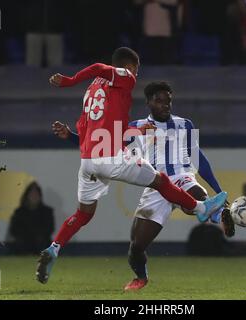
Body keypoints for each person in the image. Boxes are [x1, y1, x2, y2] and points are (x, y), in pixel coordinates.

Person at [36, 47, 228, 285]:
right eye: (136, 70)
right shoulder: (125, 75)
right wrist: (68, 81)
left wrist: (70, 135)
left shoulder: (92, 90)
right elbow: (97, 67)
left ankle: (54, 248)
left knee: (83, 214)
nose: (135, 76)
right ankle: (200, 209)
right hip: (111, 156)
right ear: (130, 67)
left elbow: (103, 131)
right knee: (160, 180)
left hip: (88, 160)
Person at [7, 182, 54, 254]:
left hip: (41, 243)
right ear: (27, 196)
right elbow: (14, 230)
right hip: (23, 243)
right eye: (32, 194)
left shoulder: (47, 212)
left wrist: (38, 235)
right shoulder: (19, 212)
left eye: (36, 194)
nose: (34, 197)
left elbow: (50, 229)